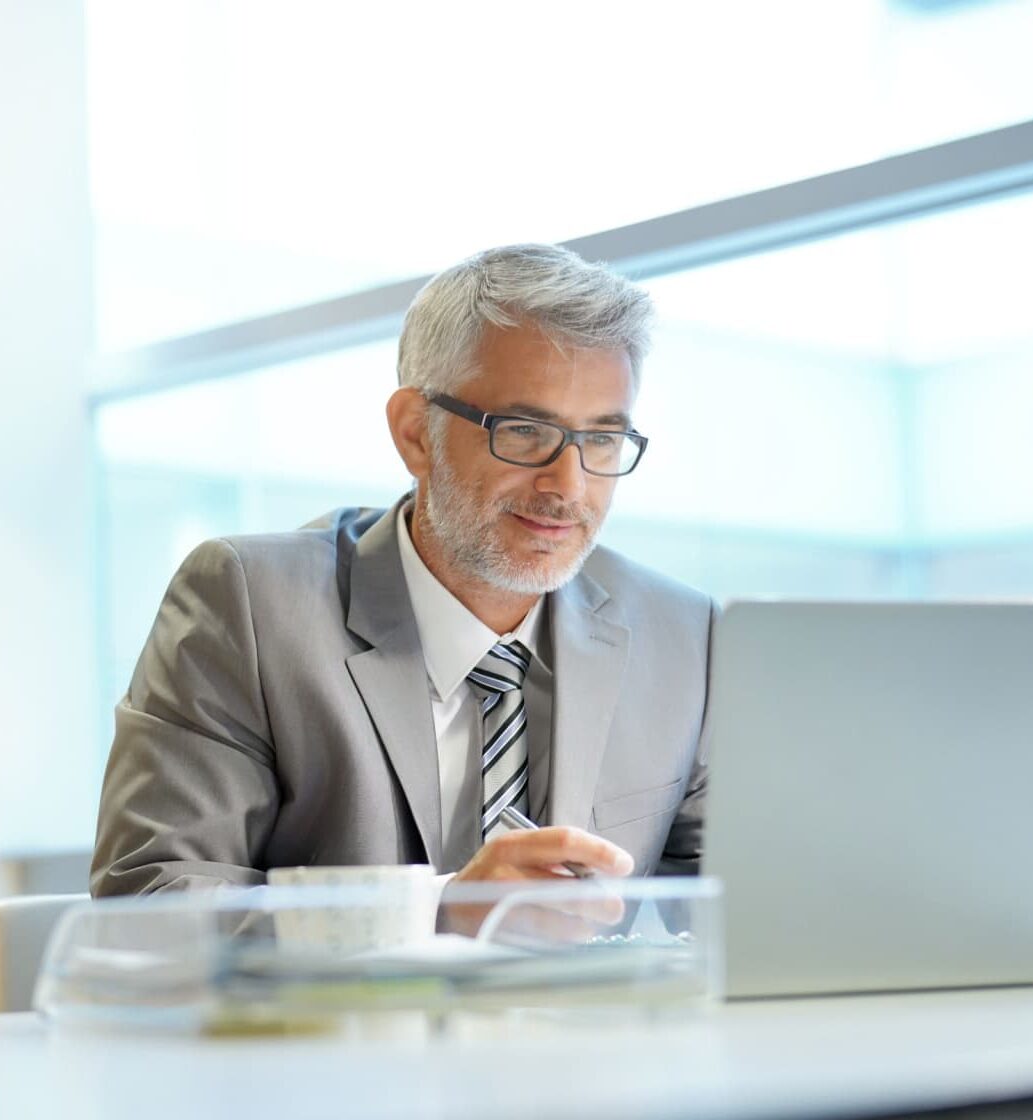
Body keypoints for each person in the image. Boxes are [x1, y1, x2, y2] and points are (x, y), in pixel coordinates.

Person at [91, 244, 714, 900]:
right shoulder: (248, 605)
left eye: (601, 440)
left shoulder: (683, 636)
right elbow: (152, 904)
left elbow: (741, 911)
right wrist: (438, 917)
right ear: (416, 433)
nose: (568, 485)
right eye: (525, 432)